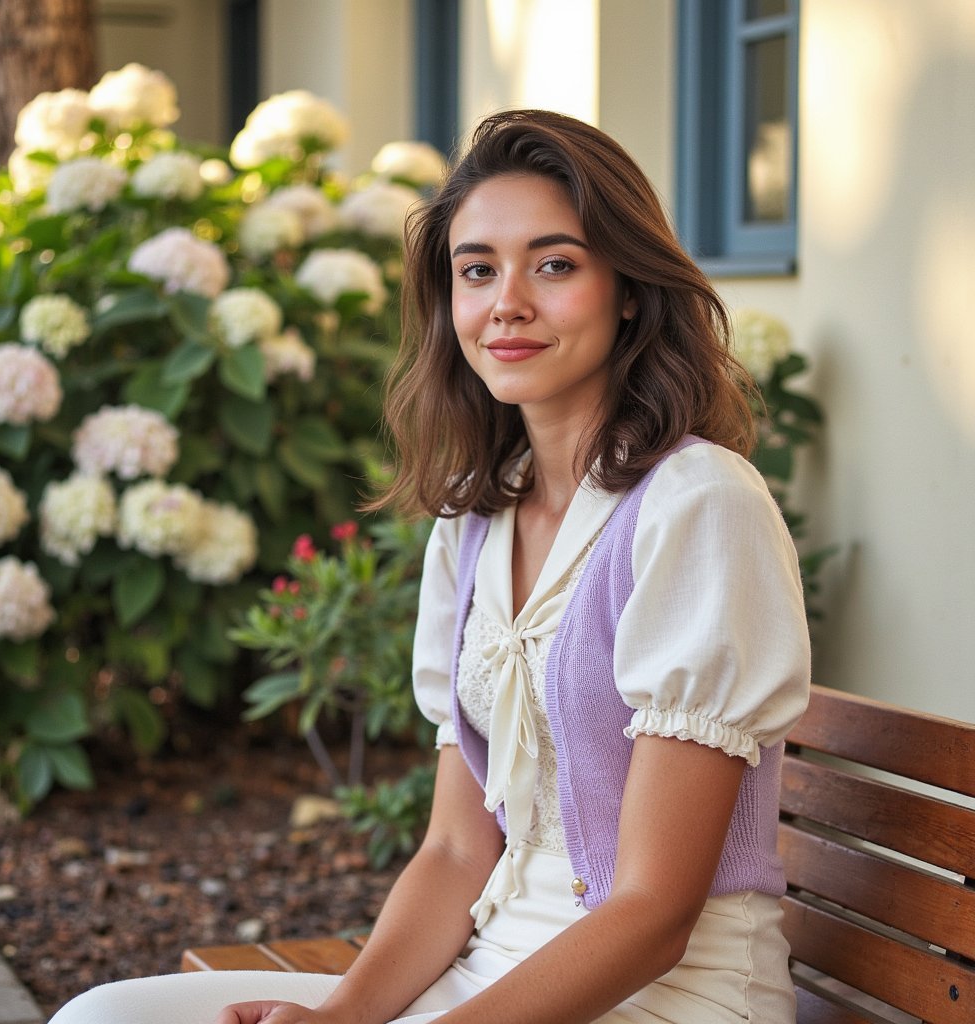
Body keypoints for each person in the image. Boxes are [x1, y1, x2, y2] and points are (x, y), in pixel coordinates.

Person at [49, 109, 811, 1024]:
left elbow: (652, 916)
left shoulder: (697, 504)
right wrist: (340, 1020)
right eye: (477, 270)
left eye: (556, 264)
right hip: (489, 975)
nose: (508, 303)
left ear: (631, 292)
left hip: (663, 1000)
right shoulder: (478, 515)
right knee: (104, 1017)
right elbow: (456, 849)